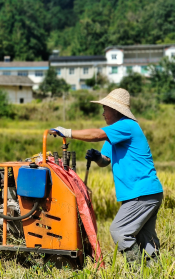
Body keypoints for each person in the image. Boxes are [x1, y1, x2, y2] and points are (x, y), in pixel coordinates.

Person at [51, 88, 163, 264]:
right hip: (145, 193)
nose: (103, 112)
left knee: (120, 231)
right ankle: (156, 270)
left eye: (105, 108)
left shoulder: (127, 125)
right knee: (145, 239)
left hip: (142, 192)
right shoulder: (115, 135)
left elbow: (96, 134)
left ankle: (134, 269)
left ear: (116, 110)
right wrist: (97, 157)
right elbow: (105, 161)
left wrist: (67, 132)